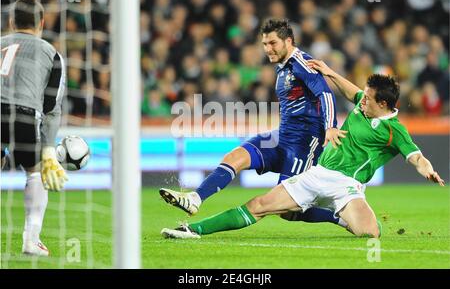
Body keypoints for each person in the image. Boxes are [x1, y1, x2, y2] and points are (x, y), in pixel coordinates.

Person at [161, 60, 445, 239]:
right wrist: (330, 72)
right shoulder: (363, 105)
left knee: (370, 232)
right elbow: (351, 91)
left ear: (383, 104)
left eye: (368, 99)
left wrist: (428, 170)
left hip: (347, 186)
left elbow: (416, 157)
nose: (361, 100)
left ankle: (340, 215)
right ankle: (192, 230)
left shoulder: (395, 131)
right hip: (317, 173)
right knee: (260, 206)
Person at [160, 18, 348, 229]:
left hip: (304, 143)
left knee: (287, 210)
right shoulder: (282, 66)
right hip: (281, 136)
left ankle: (340, 217)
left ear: (288, 41)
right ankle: (195, 198)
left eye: (273, 43)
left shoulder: (302, 63)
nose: (267, 49)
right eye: (265, 44)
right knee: (235, 157)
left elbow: (325, 93)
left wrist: (331, 126)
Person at [1, 0, 68, 256]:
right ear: (41, 22)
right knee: (35, 172)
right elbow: (52, 106)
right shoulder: (50, 53)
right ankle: (31, 239)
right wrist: (49, 149)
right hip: (23, 114)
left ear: (10, 21)